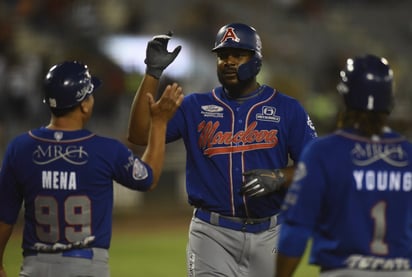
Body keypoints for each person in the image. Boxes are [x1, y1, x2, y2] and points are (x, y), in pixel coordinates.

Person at [127, 23, 317, 276]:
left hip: (270, 233)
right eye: (222, 55)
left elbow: (316, 165)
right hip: (211, 234)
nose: (228, 62)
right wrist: (152, 73)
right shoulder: (194, 107)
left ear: (256, 60)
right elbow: (139, 134)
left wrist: (281, 176)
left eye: (238, 55)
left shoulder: (287, 108)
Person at [0, 60, 183, 277]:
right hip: (85, 266)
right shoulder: (105, 150)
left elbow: (4, 216)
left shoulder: (19, 149)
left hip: (34, 266)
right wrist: (160, 123)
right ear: (84, 104)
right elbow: (149, 178)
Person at [276, 54, 412, 277]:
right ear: (389, 99)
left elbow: (296, 230)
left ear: (345, 96)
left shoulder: (324, 153)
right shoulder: (408, 155)